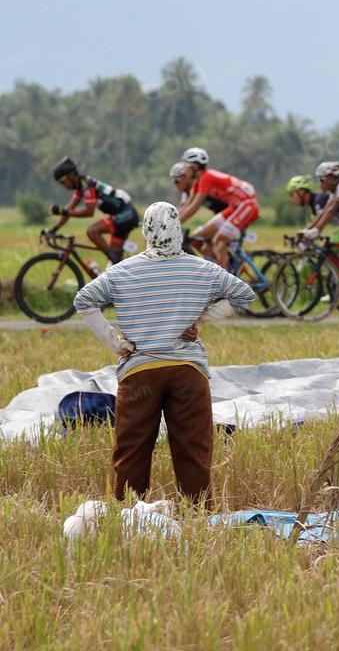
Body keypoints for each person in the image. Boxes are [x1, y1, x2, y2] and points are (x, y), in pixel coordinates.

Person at [72, 202, 255, 505]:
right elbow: (244, 294)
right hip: (188, 372)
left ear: (145, 231)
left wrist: (117, 344)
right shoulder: (202, 268)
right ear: (179, 232)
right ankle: (197, 518)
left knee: (131, 452)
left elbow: (84, 300)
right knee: (193, 452)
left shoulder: (122, 272)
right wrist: (202, 318)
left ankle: (129, 514)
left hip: (138, 372)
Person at [176, 147, 260, 272]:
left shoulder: (207, 177)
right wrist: (171, 221)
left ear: (194, 167)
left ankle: (226, 286)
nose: (184, 169)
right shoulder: (197, 182)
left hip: (247, 204)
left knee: (219, 241)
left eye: (186, 166)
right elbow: (187, 205)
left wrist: (175, 225)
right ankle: (221, 268)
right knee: (196, 239)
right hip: (235, 207)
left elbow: (195, 206)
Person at [49, 157, 138, 265]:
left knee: (92, 231)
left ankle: (116, 260)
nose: (63, 185)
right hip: (122, 216)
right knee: (114, 267)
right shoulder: (80, 187)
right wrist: (54, 229)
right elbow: (69, 210)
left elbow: (89, 212)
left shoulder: (87, 185)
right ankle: (118, 263)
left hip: (126, 214)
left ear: (71, 176)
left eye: (63, 181)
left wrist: (66, 212)